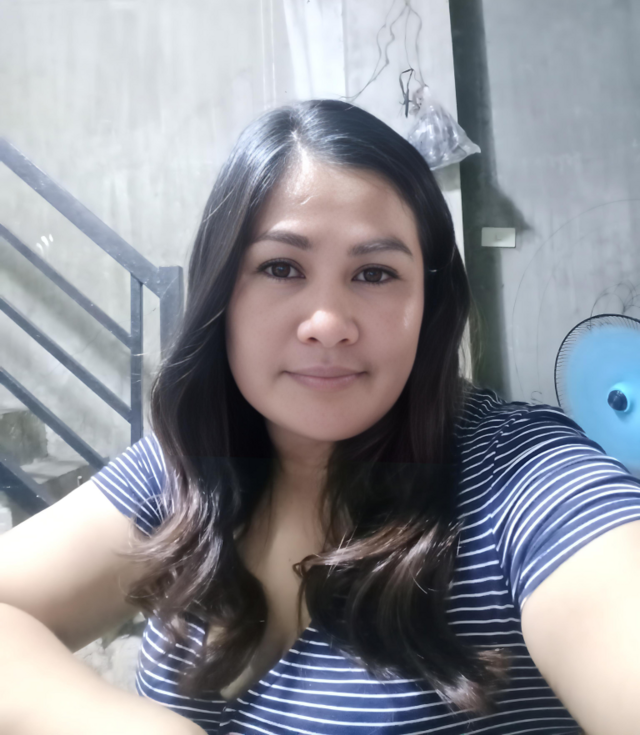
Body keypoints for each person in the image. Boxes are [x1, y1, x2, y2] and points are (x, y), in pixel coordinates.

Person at [1, 100, 639, 735]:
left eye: (375, 273)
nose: (328, 323)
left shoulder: (524, 479)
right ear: (222, 292)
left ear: (429, 304)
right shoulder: (186, 467)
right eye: (281, 268)